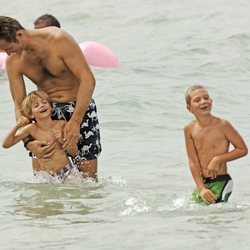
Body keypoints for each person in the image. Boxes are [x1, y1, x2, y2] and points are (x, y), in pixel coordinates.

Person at [0, 16, 101, 180]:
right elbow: (19, 106)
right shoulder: (14, 61)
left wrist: (75, 122)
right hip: (44, 115)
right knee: (46, 185)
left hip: (80, 109)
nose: (8, 54)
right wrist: (29, 142)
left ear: (19, 35)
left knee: (88, 180)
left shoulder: (59, 39)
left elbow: (88, 80)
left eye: (9, 48)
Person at [184, 85, 248, 205]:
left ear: (211, 101)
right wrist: (201, 188)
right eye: (197, 100)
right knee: (198, 219)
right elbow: (193, 161)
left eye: (206, 98)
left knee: (216, 217)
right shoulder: (189, 129)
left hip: (222, 181)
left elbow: (242, 149)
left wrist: (218, 159)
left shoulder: (223, 125)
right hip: (203, 184)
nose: (203, 101)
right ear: (189, 108)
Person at [2, 90, 81, 183]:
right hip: (45, 176)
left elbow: (74, 152)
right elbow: (6, 144)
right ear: (31, 114)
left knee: (73, 190)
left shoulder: (61, 125)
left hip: (66, 172)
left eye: (44, 102)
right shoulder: (30, 129)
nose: (42, 105)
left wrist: (63, 141)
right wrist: (17, 126)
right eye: (36, 106)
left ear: (51, 107)